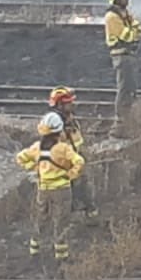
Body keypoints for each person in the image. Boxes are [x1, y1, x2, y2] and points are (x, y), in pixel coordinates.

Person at [16, 113, 85, 262]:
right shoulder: (63, 148)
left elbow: (20, 158)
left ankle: (35, 249)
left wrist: (35, 168)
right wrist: (71, 175)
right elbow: (79, 162)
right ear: (59, 130)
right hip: (62, 189)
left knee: (41, 217)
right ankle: (61, 255)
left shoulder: (36, 147)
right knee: (61, 220)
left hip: (43, 189)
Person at [47, 85, 98, 221]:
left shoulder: (69, 118)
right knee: (68, 192)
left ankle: (89, 212)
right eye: (69, 102)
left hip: (76, 158)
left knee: (84, 185)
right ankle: (68, 218)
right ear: (60, 105)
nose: (72, 104)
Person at [103, 0, 141, 122]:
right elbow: (128, 36)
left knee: (131, 88)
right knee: (124, 89)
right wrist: (135, 30)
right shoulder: (112, 17)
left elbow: (137, 28)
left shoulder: (123, 14)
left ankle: (130, 116)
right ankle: (121, 119)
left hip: (128, 55)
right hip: (121, 56)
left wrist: (135, 29)